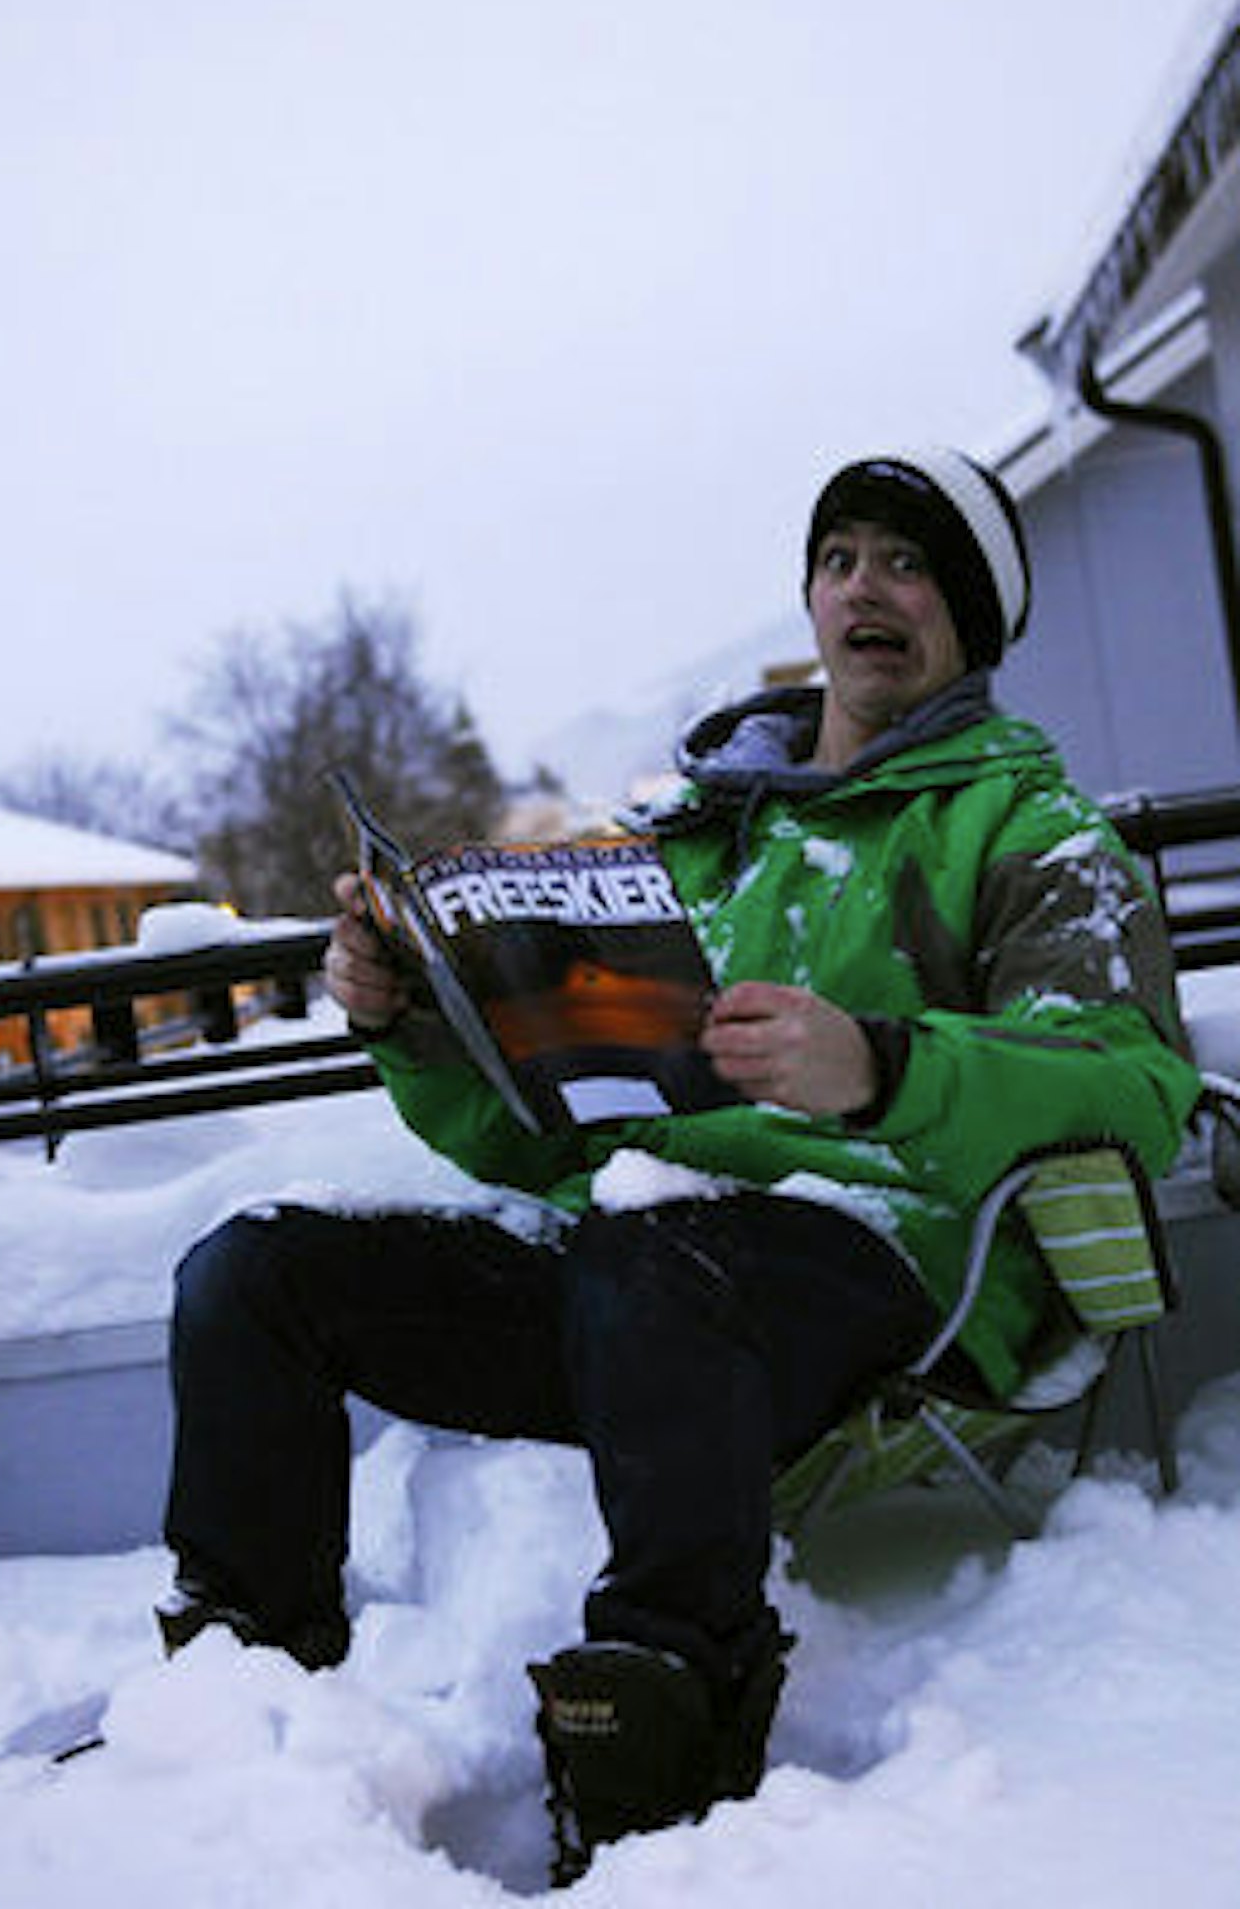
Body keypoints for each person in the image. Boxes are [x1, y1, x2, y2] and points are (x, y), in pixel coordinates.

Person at [160, 447, 1199, 1880]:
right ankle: (240, 1700)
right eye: (839, 559)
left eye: (907, 564)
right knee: (254, 1271)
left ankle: (667, 1710)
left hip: (875, 1249)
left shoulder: (1030, 833)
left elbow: (1132, 1088)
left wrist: (881, 1067)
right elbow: (540, 1131)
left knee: (662, 1260)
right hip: (628, 1258)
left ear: (971, 615)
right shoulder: (685, 845)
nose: (864, 590)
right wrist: (413, 1023)